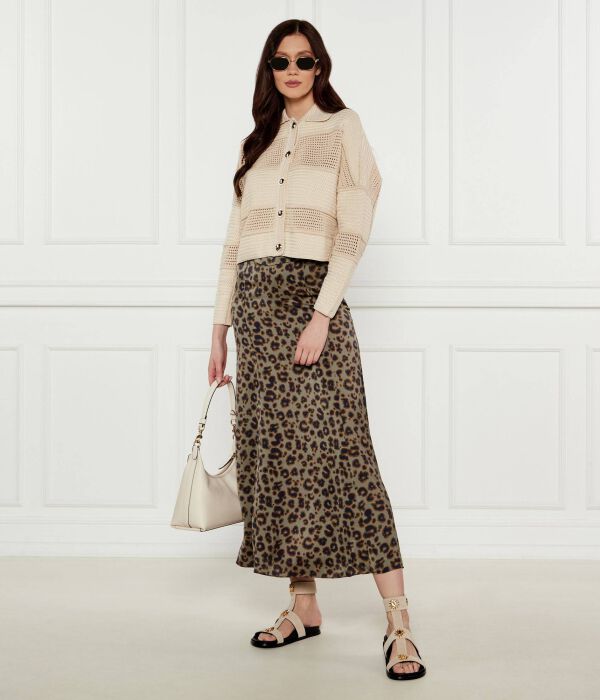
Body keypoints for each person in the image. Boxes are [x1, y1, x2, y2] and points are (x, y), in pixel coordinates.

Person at [208, 18, 426, 681]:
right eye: (281, 61)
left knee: (346, 456)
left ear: (321, 67)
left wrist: (322, 314)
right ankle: (303, 607)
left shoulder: (343, 128)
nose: (293, 71)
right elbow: (234, 242)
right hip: (255, 312)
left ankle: (399, 623)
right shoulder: (257, 142)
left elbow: (355, 224)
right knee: (280, 461)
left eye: (304, 61)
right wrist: (218, 327)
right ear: (269, 70)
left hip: (310, 302)